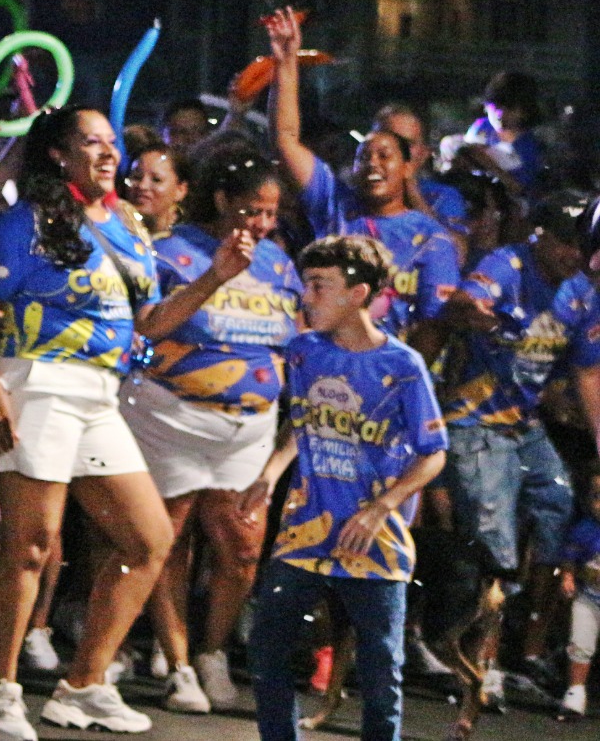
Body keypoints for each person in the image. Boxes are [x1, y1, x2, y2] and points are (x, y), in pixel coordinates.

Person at [0, 106, 253, 740]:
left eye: (110, 143)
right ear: (58, 155)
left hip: (101, 395)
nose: (107, 153)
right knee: (31, 544)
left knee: (148, 540)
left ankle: (84, 685)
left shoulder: (126, 224)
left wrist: (215, 277)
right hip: (37, 383)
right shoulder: (28, 223)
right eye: (90, 143)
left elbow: (150, 321)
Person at [243, 235, 448, 741]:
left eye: (319, 285)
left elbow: (433, 452)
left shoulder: (403, 366)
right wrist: (270, 473)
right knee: (267, 650)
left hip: (373, 539)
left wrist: (381, 507)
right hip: (306, 528)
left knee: (379, 670)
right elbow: (303, 422)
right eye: (306, 284)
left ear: (358, 294)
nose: (306, 297)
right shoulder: (303, 352)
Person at [124, 146, 301, 714]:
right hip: (170, 417)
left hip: (249, 429)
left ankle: (213, 651)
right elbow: (148, 328)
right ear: (221, 199)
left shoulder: (279, 263)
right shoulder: (169, 252)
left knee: (243, 547)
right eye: (253, 210)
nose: (263, 223)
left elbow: (293, 337)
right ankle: (178, 665)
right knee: (168, 541)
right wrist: (214, 275)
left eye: (271, 213)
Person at [438, 190, 593, 690]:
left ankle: (513, 636)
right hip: (474, 422)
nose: (573, 253)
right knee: (496, 543)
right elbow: (463, 301)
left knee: (558, 503)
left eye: (582, 243)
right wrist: (475, 311)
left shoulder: (579, 292)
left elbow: (585, 371)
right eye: (564, 241)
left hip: (524, 425)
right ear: (540, 235)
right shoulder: (508, 264)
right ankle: (477, 661)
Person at [267, 6, 458, 360]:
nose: (373, 163)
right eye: (363, 156)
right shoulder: (334, 203)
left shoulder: (430, 237)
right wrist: (286, 60)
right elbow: (286, 138)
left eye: (385, 155)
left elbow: (435, 326)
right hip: (323, 363)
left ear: (408, 167)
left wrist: (396, 377)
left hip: (386, 371)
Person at [371, 104, 467, 234]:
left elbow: (457, 245)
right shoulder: (349, 199)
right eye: (386, 139)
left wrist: (413, 195)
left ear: (423, 154)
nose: (394, 150)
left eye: (406, 144)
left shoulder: (442, 198)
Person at [457, 71, 544, 198]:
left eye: (510, 109)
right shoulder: (481, 128)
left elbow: (520, 188)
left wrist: (488, 163)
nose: (500, 114)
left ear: (525, 111)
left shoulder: (529, 145)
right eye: (496, 107)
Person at [557, 468, 600, 720]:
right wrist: (568, 576)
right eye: (597, 496)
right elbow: (569, 558)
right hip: (589, 599)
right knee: (581, 642)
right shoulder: (584, 530)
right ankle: (575, 691)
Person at [124, 143, 189, 237]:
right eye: (137, 177)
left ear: (180, 190)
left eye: (156, 180)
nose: (142, 186)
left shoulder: (190, 240)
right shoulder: (112, 232)